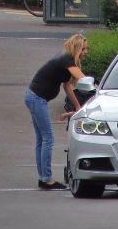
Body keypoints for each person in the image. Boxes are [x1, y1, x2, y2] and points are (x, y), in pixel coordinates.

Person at [25, 34, 88, 190]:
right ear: (77, 48)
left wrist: (78, 106)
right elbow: (83, 80)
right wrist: (98, 89)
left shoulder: (66, 62)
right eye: (84, 49)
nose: (86, 52)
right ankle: (47, 179)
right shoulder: (67, 60)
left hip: (34, 97)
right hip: (36, 99)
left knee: (41, 140)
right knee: (48, 139)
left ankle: (43, 178)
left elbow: (67, 87)